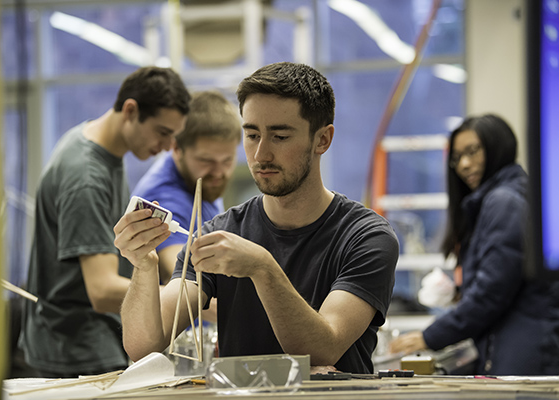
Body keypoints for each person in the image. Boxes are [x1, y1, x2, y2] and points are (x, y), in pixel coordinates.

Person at [114, 62, 399, 374]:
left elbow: (323, 348)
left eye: (279, 136)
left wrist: (263, 269)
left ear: (322, 140)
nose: (261, 154)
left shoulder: (366, 237)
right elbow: (144, 345)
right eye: (252, 135)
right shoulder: (222, 230)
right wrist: (143, 265)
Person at [20, 67, 191, 378]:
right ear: (130, 110)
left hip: (90, 340)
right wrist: (185, 300)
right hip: (77, 350)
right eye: (162, 132)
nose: (167, 147)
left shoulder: (100, 148)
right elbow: (101, 289)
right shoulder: (87, 176)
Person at [389, 114, 559, 375]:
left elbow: (492, 291)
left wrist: (431, 336)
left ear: (497, 146)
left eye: (473, 151)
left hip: (524, 353)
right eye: (457, 158)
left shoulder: (504, 201)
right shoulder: (503, 198)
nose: (465, 164)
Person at [131, 91, 241, 282]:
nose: (218, 172)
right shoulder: (164, 199)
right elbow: (185, 278)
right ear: (176, 149)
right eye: (206, 160)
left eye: (227, 160)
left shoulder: (201, 180)